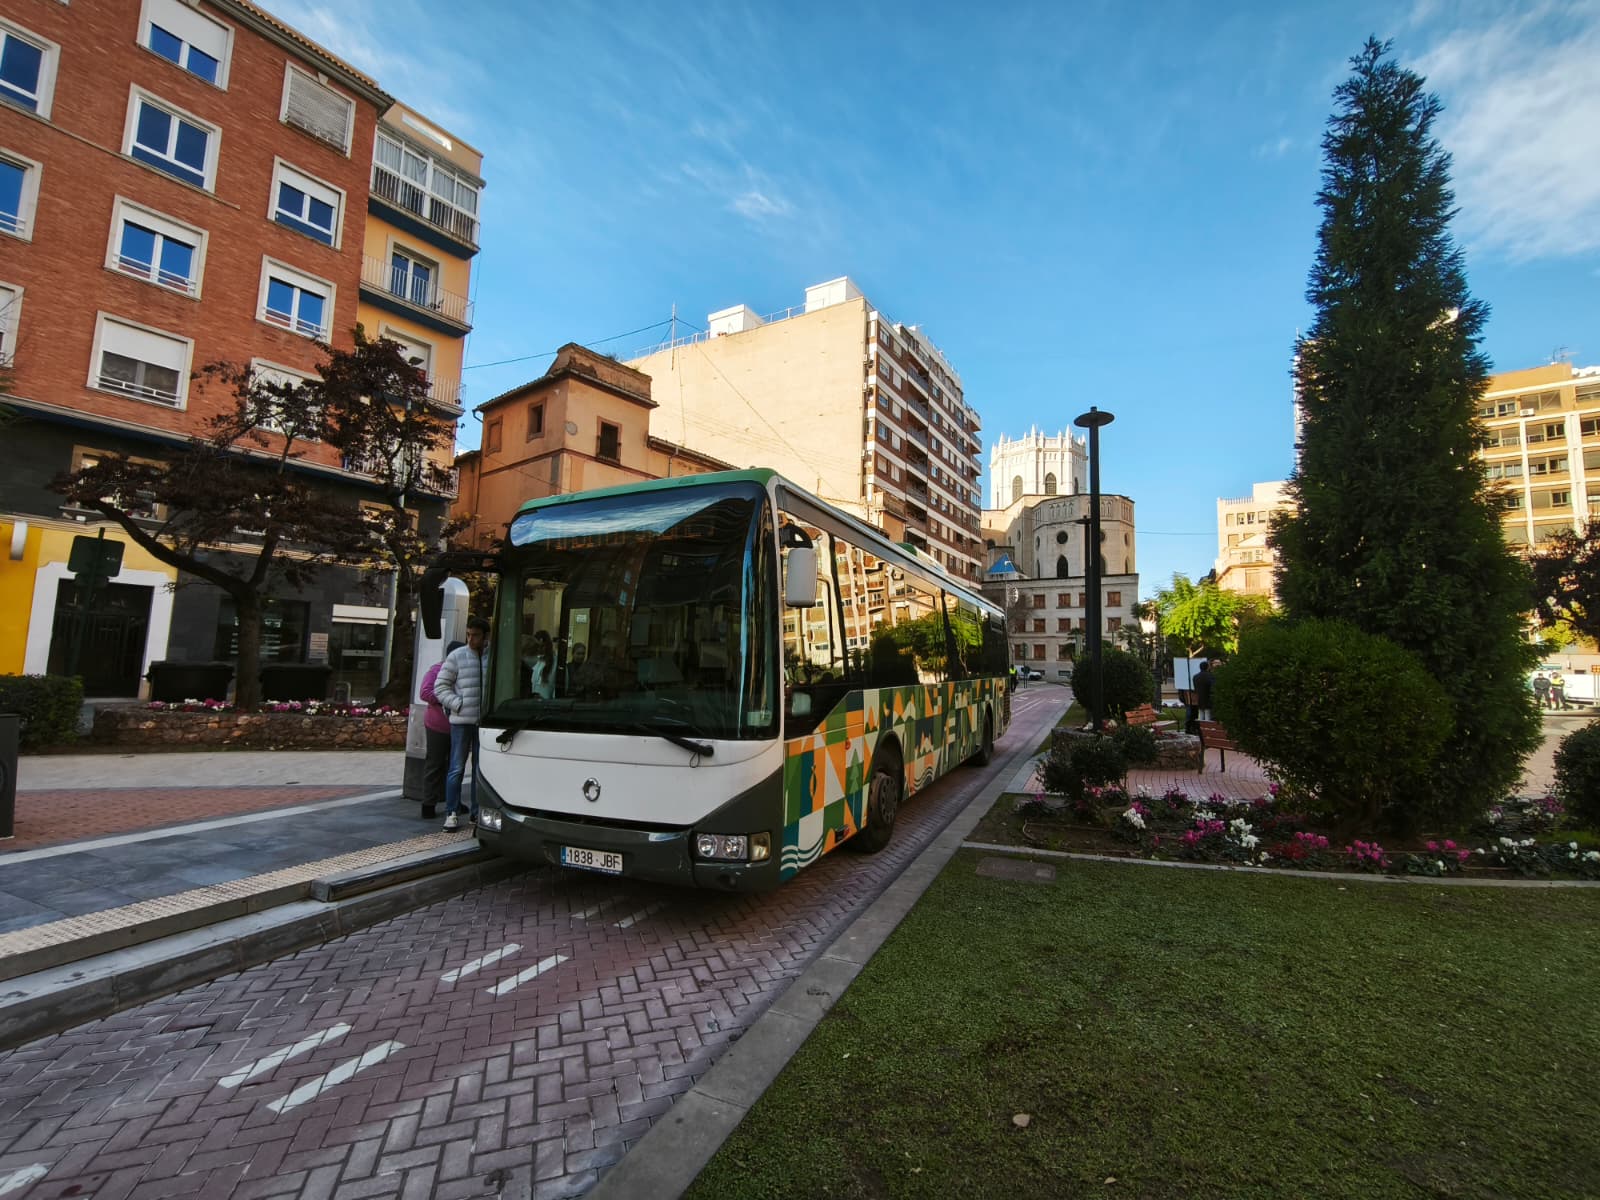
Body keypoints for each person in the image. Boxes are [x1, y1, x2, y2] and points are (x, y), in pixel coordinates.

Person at [433, 615, 490, 831]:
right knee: (456, 768)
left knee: (479, 769)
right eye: (468, 634)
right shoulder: (457, 656)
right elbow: (440, 687)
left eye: (475, 635)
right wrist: (458, 704)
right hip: (461, 721)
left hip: (482, 722)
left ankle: (476, 812)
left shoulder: (491, 656)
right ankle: (452, 811)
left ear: (485, 636)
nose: (470, 638)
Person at [417, 640, 463, 820]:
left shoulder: (465, 671)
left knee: (455, 766)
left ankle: (454, 802)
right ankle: (428, 804)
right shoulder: (437, 670)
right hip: (438, 725)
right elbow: (425, 692)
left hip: (459, 725)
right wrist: (447, 698)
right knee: (435, 764)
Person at [523, 631, 556, 700]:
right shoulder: (533, 661)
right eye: (538, 647)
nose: (540, 649)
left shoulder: (556, 663)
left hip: (547, 705)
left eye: (543, 646)